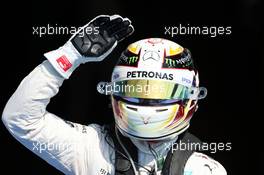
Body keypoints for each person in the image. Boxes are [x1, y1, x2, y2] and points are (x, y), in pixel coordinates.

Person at [2, 15, 227, 175]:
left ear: (191, 99)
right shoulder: (91, 147)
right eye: (137, 89)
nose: (146, 103)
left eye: (159, 92)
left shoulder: (204, 171)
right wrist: (68, 56)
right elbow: (19, 118)